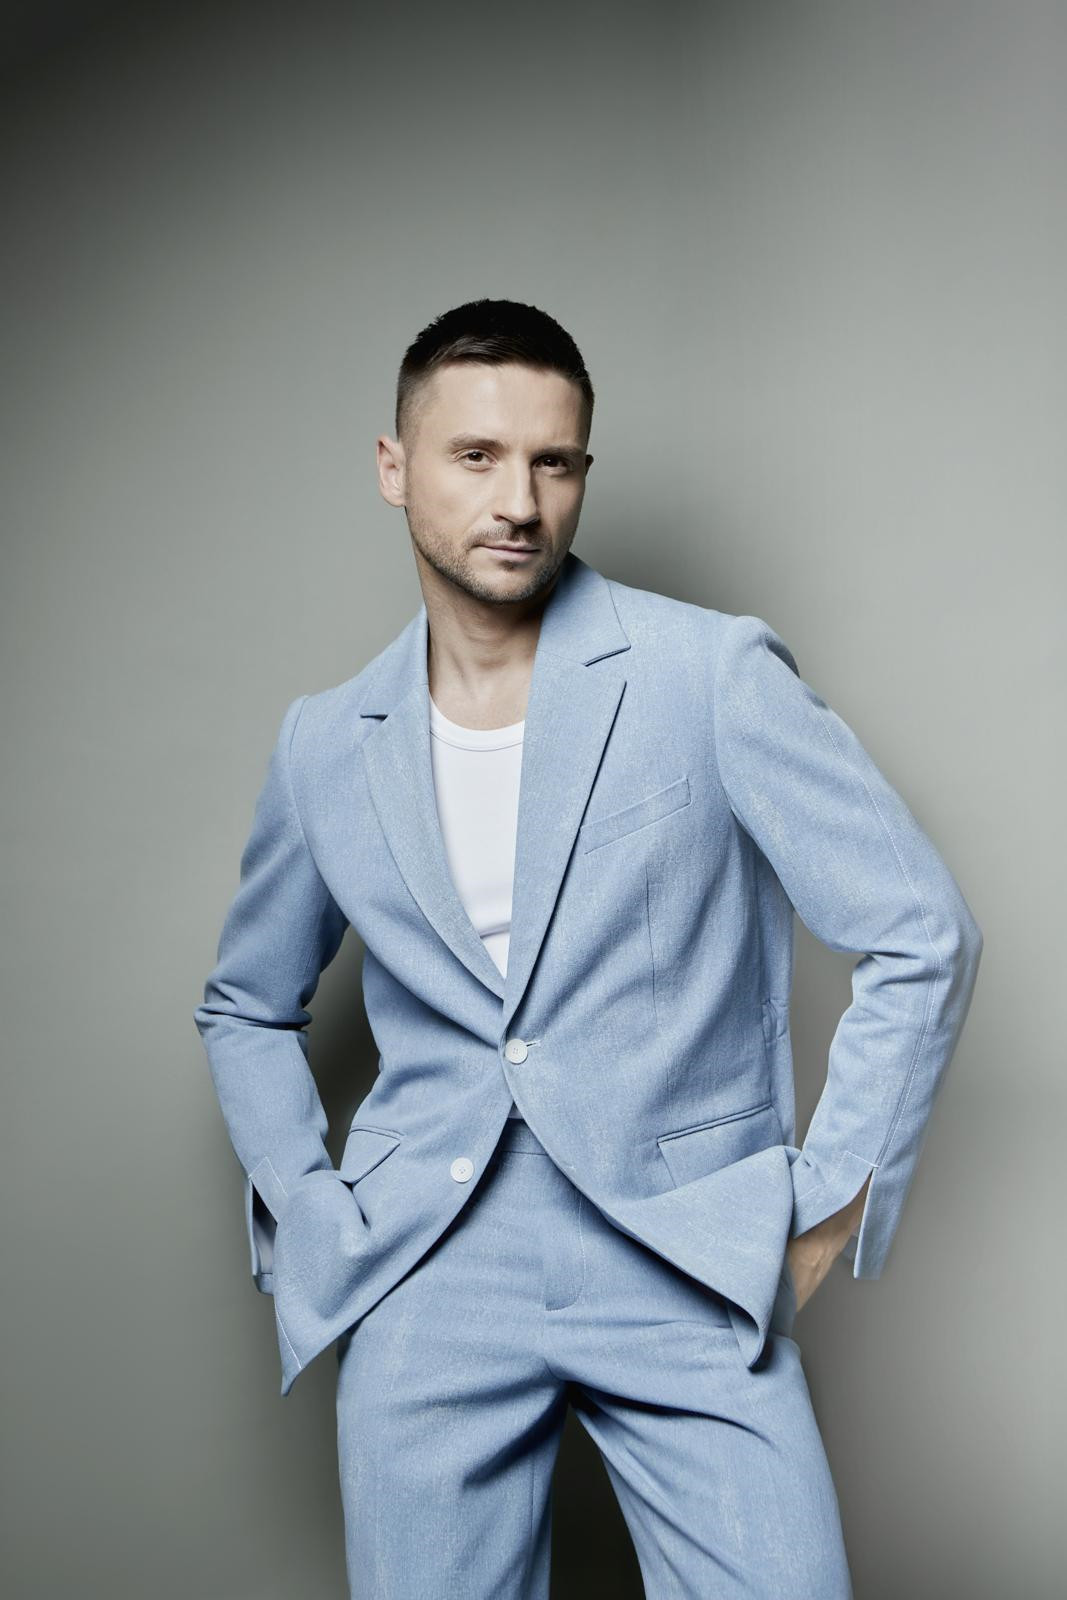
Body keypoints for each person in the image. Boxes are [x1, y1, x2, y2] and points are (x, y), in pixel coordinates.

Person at [194, 298, 983, 1597]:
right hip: (425, 1269)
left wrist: (827, 1205)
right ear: (394, 468)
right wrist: (317, 1214)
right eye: (477, 456)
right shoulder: (326, 741)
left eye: (552, 462)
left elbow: (920, 929)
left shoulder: (709, 673)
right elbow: (245, 1004)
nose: (520, 501)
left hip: (678, 1250)